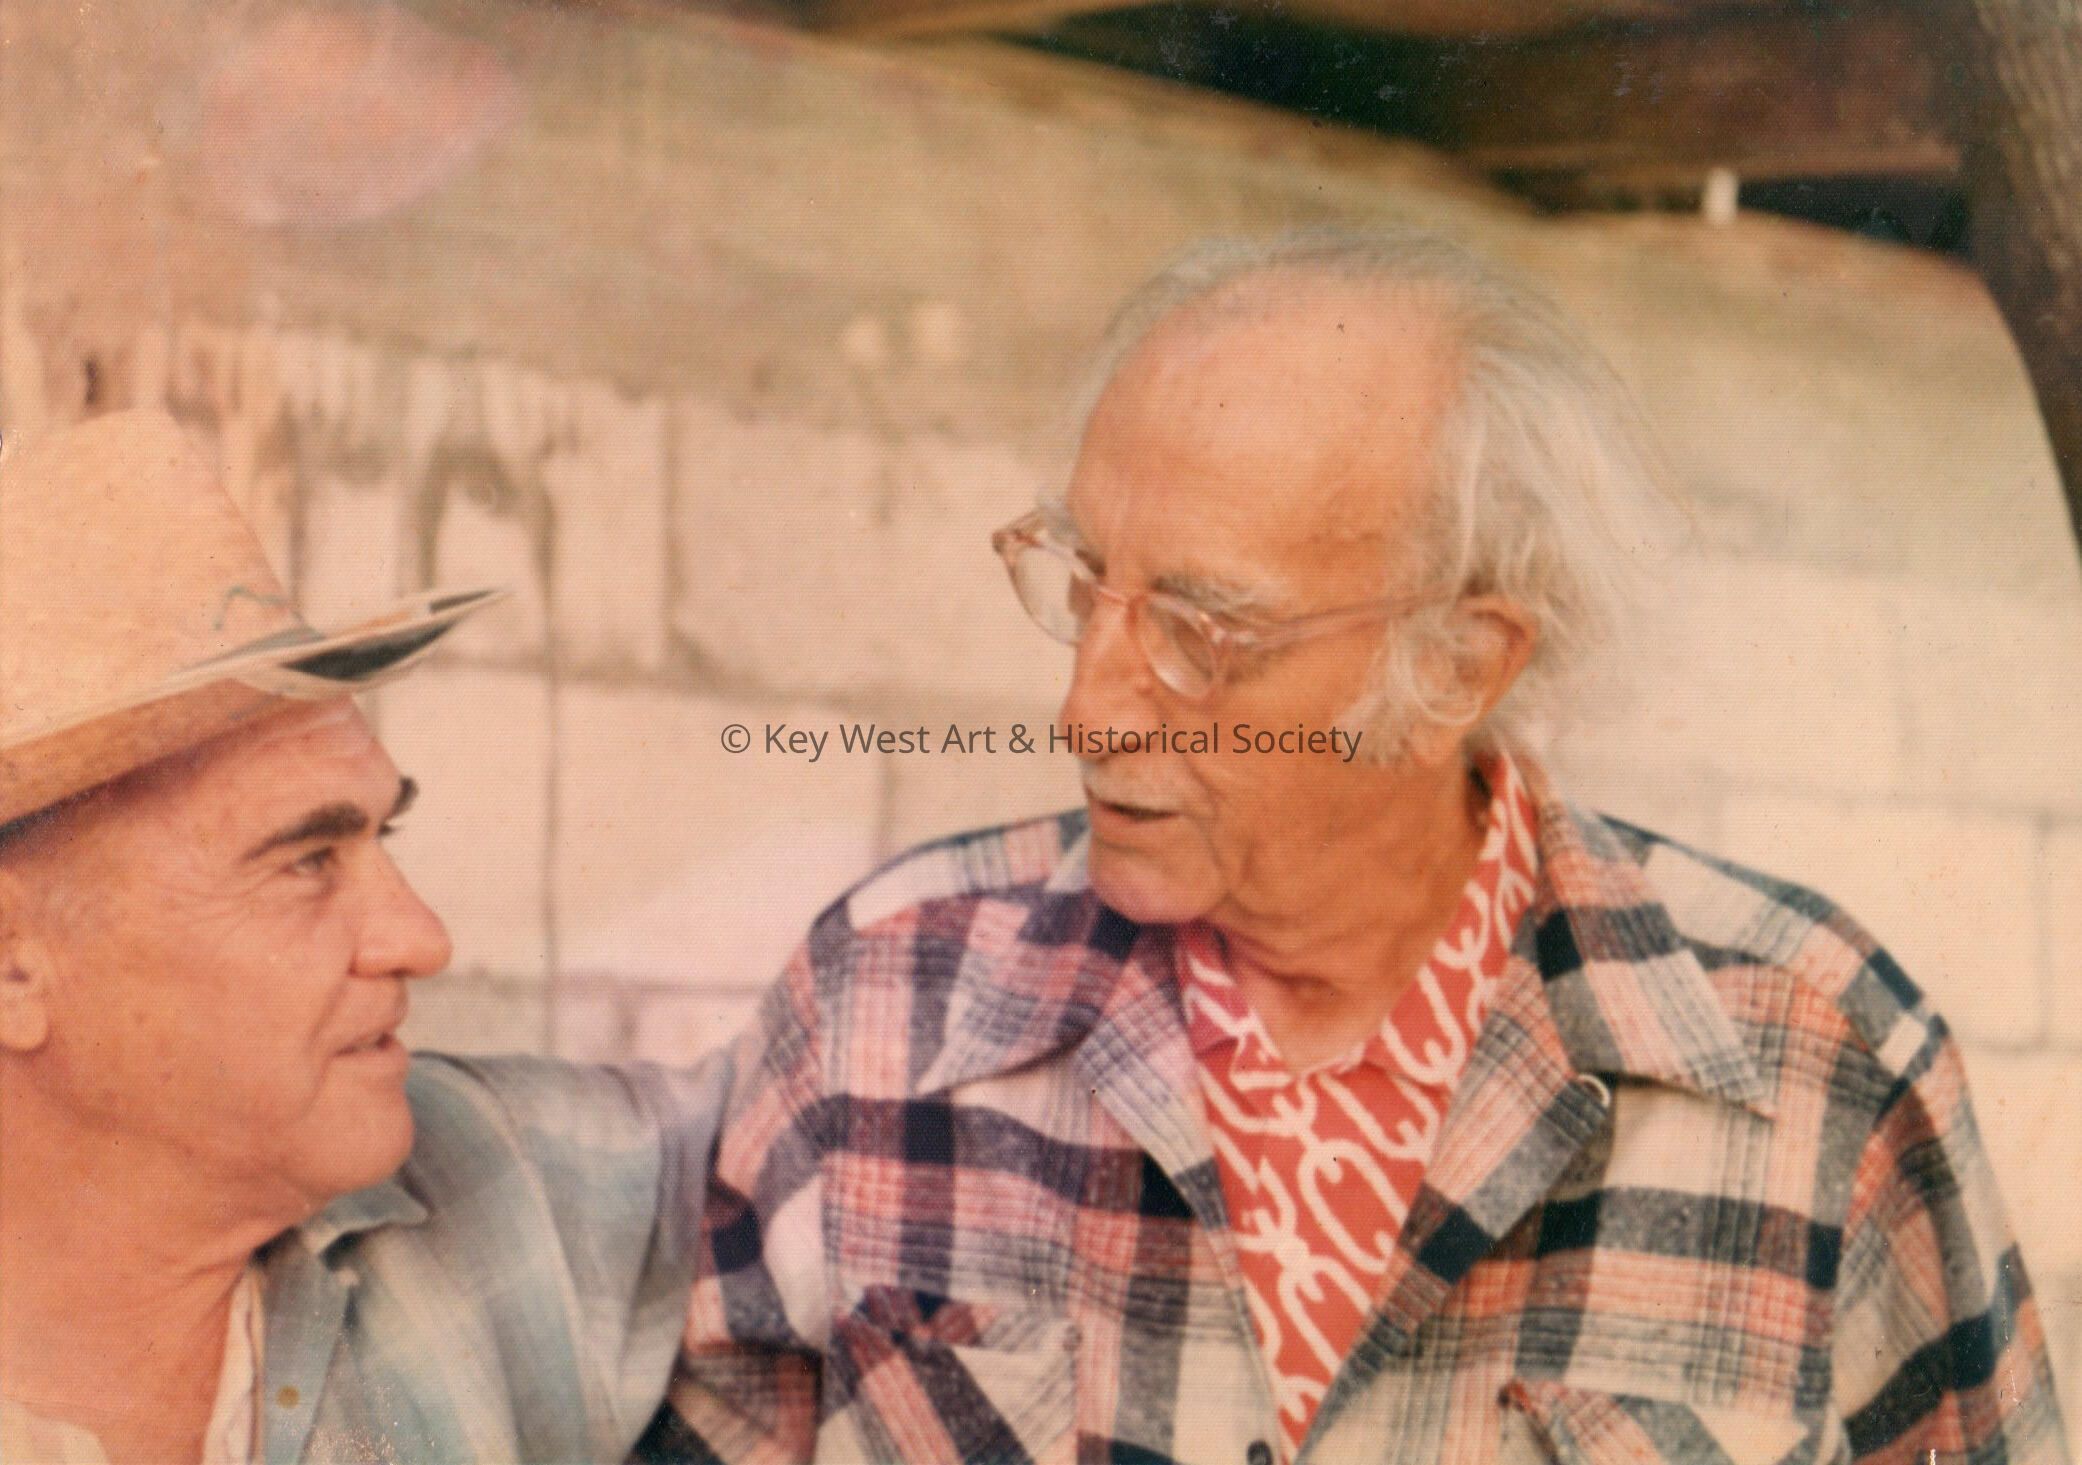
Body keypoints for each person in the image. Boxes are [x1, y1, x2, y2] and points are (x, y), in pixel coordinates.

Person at [648, 230, 2070, 1464]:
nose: (1088, 707)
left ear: (1457, 663)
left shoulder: (1816, 1061)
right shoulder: (880, 1000)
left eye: (1202, 630)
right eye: (1082, 583)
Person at [0, 409, 730, 1464]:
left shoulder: (491, 1171)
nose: (421, 939)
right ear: (13, 962)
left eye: (382, 835)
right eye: (306, 860)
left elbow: (843, 1096)